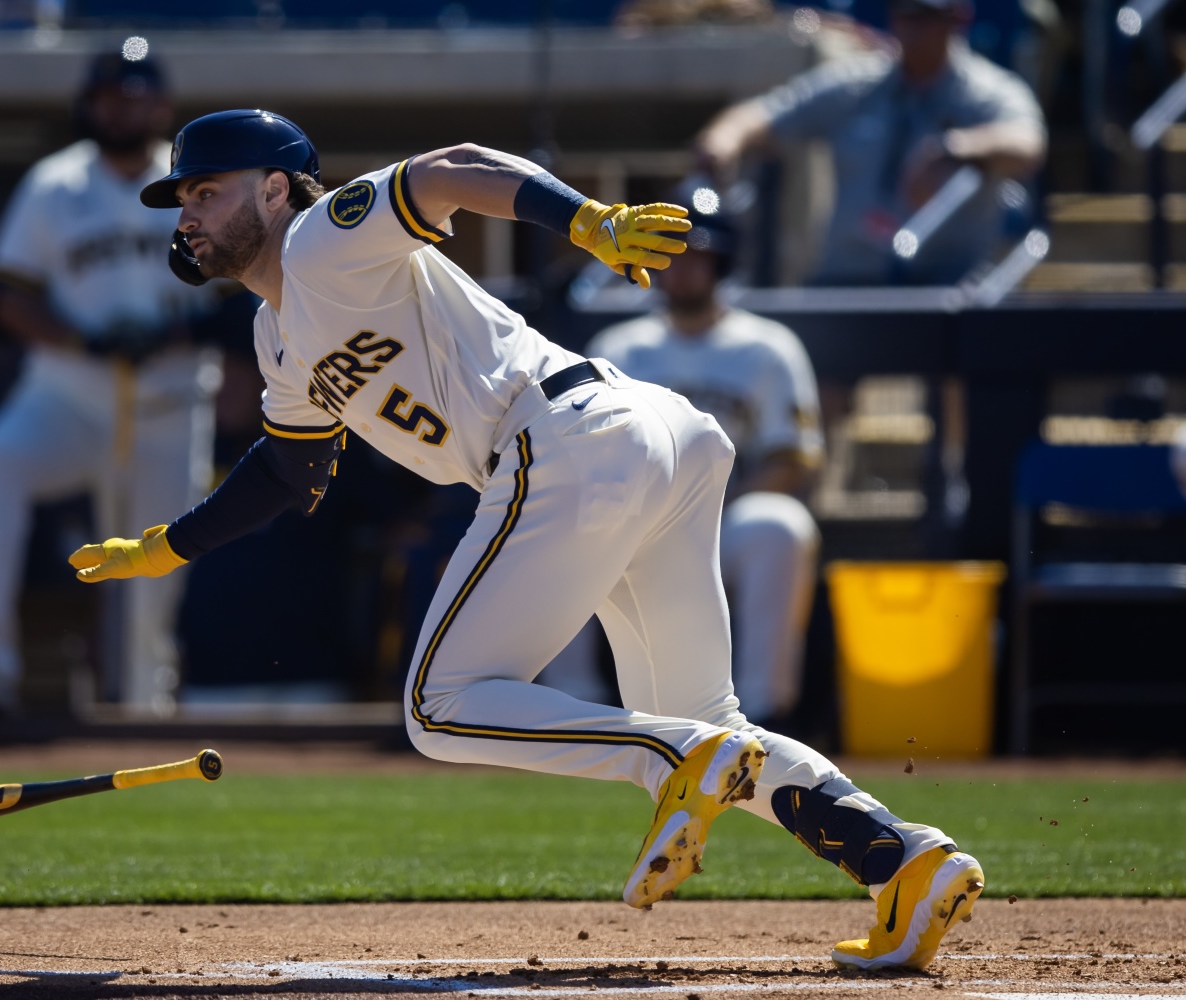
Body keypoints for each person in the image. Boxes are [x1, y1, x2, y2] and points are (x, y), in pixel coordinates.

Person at [68, 109, 985, 970]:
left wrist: (587, 219)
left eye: (206, 190)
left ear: (276, 188)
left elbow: (453, 171)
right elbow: (289, 473)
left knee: (439, 708)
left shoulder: (319, 236)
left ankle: (675, 758)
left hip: (563, 437)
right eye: (185, 198)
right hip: (646, 437)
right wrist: (162, 548)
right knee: (710, 722)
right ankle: (904, 864)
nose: (189, 212)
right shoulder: (277, 337)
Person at [0, 48, 222, 722]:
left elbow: (240, 298)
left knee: (159, 575)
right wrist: (83, 338)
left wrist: (175, 332)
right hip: (69, 395)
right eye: (111, 97)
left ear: (163, 109)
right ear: (89, 104)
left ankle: (148, 707)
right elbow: (6, 299)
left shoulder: (200, 184)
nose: (124, 108)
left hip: (169, 404)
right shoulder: (54, 184)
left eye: (137, 97)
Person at [587, 204, 822, 729]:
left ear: (722, 264)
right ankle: (573, 709)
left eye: (698, 257)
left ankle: (765, 713)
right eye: (669, 256)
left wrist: (702, 514)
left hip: (726, 516)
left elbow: (791, 459)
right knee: (561, 522)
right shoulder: (617, 347)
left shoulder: (768, 347)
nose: (683, 268)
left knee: (779, 524)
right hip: (635, 519)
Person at [695, 0, 1046, 286]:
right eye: (904, 14)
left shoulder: (988, 92)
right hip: (851, 274)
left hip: (944, 280)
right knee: (813, 350)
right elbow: (764, 115)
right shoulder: (858, 85)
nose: (912, 28)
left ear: (958, 18)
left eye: (926, 17)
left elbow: (1028, 145)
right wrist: (724, 142)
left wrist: (957, 149)